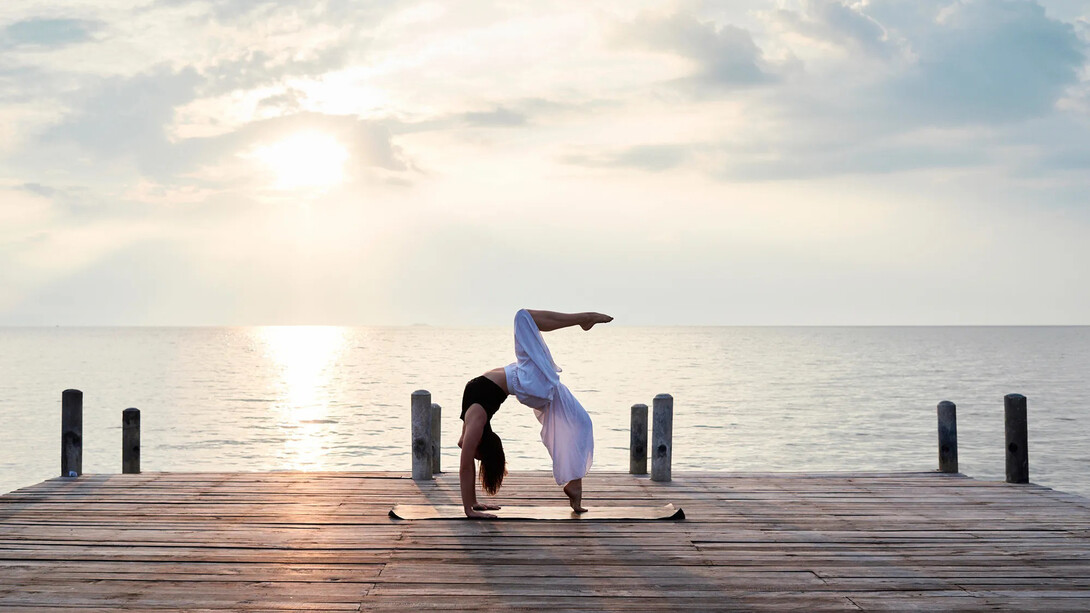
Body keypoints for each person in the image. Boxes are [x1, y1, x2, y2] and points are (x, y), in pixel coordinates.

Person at [457, 309, 613, 519]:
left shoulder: (474, 421)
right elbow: (465, 465)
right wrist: (469, 509)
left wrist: (473, 504)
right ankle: (583, 319)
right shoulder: (477, 419)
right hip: (526, 381)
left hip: (525, 379)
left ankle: (574, 485)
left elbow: (463, 446)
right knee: (523, 317)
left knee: (581, 422)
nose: (474, 457)